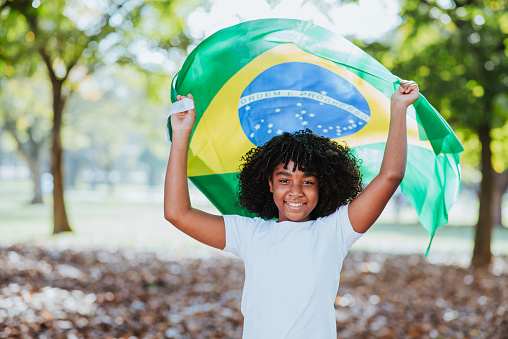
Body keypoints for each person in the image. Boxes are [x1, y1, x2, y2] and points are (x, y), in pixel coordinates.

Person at [164, 80, 419, 338]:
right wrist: (182, 134)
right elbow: (177, 213)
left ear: (323, 186)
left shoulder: (336, 229)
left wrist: (399, 108)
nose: (296, 191)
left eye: (308, 181)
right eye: (284, 180)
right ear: (270, 184)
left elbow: (390, 175)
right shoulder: (248, 233)